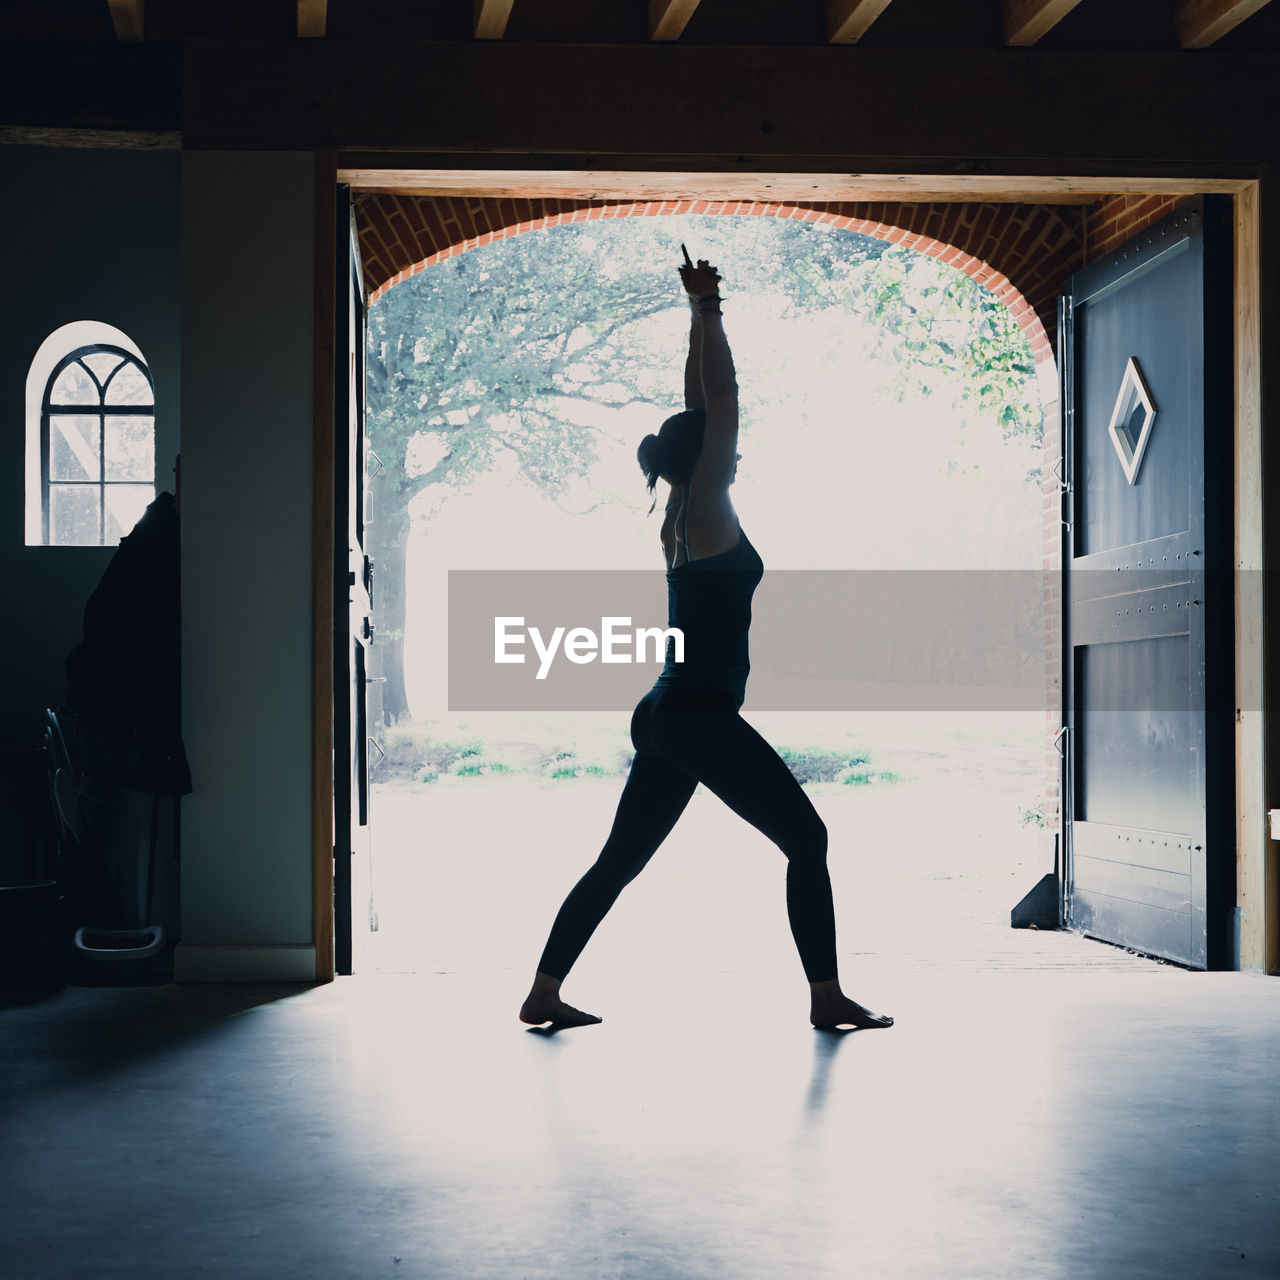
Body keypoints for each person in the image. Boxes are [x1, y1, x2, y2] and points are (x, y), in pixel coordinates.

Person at [518, 252, 893, 1032]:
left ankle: (543, 992)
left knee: (618, 863)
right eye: (724, 445)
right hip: (695, 714)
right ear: (708, 457)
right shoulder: (709, 507)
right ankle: (827, 999)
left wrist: (695, 314)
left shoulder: (682, 512)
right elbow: (719, 401)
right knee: (809, 840)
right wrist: (711, 303)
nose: (736, 449)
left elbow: (699, 406)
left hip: (665, 712)